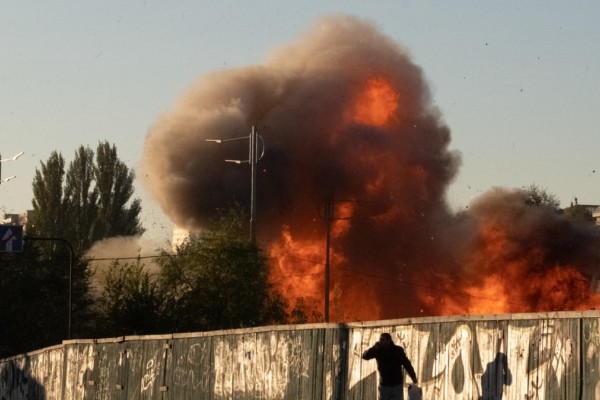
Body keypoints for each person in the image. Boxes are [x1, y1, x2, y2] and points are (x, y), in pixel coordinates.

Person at [362, 332, 418, 400]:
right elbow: (365, 356)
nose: (380, 341)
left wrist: (413, 376)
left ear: (388, 341)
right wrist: (374, 348)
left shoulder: (397, 350)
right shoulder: (378, 350)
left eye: (382, 340)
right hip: (384, 384)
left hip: (396, 384)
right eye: (380, 339)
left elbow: (407, 364)